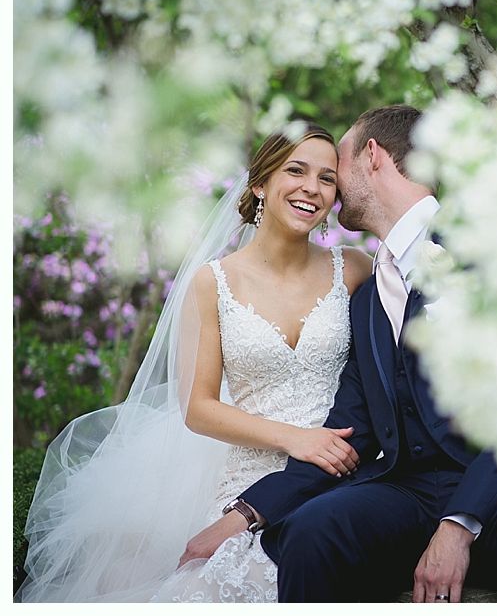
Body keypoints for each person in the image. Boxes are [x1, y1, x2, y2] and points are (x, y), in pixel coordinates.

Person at [181, 105, 497, 603]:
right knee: (313, 530)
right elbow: (351, 425)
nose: (323, 188)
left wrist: (458, 527)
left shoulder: (489, 247)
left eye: (335, 170)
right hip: (412, 487)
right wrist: (248, 512)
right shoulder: (370, 292)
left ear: (371, 156)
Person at [17, 122, 372, 602]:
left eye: (327, 178)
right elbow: (199, 408)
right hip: (250, 474)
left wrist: (321, 445)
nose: (312, 187)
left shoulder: (353, 269)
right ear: (260, 183)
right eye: (296, 170)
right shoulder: (213, 283)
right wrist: (295, 439)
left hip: (338, 469)